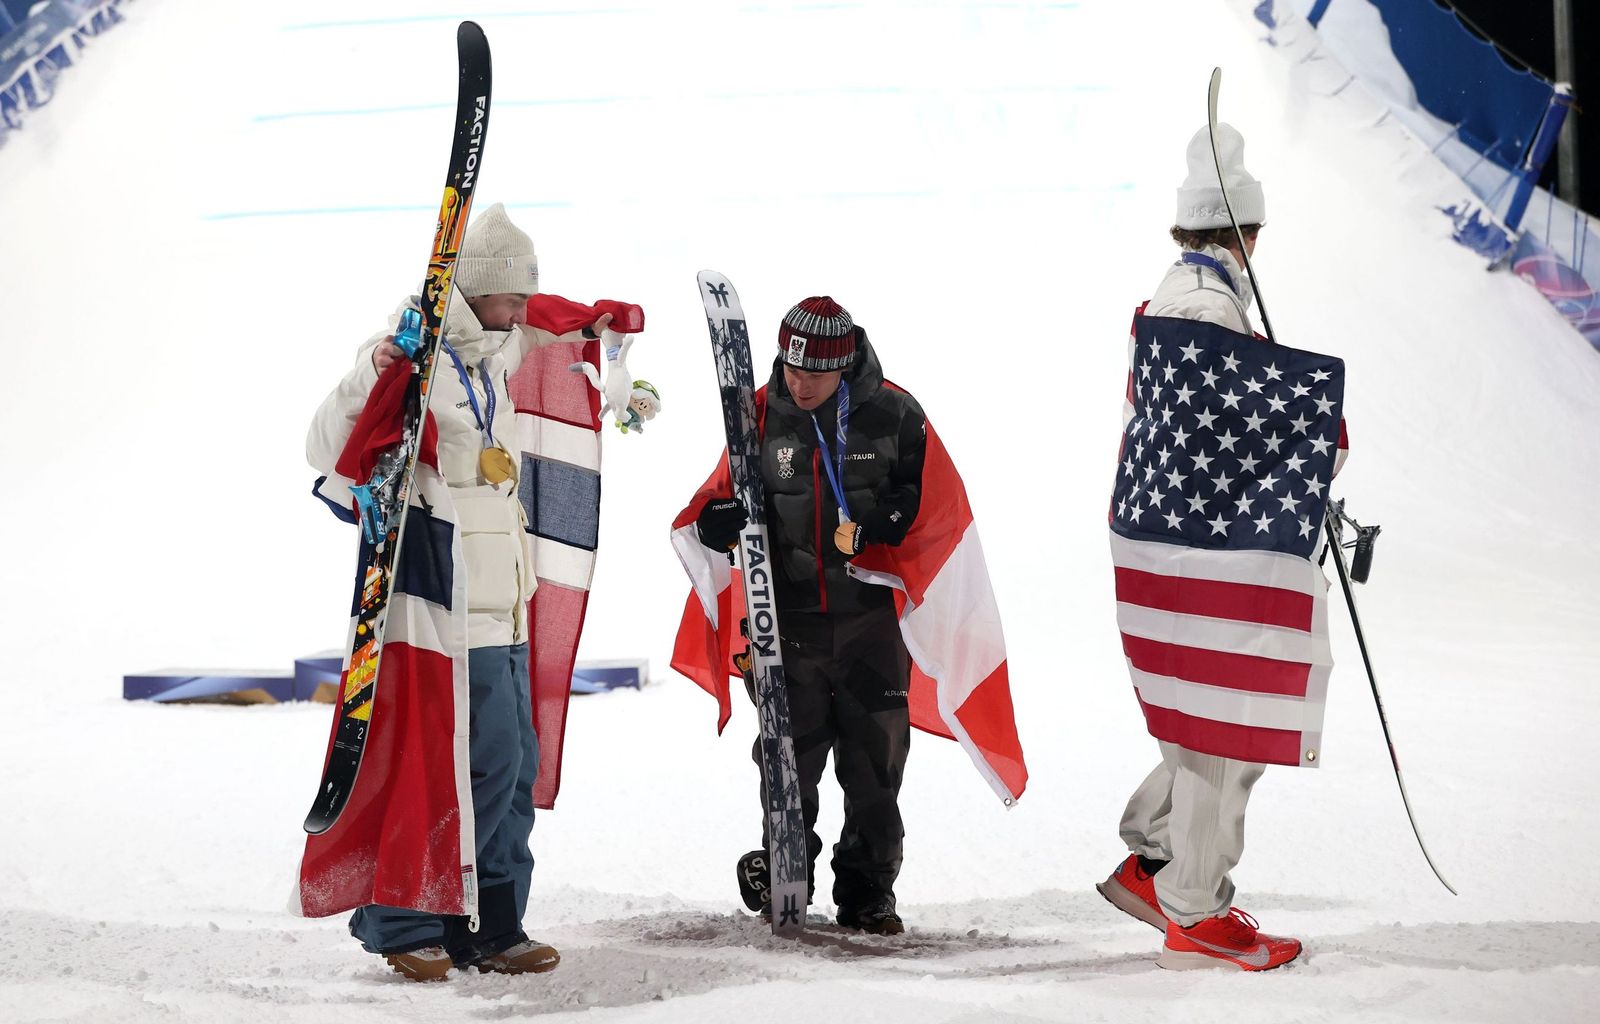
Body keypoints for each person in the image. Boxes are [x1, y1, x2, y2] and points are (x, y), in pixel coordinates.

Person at [304, 203, 608, 981]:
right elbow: (328, 446)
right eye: (512, 296)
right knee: (433, 763)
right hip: (437, 600)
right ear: (476, 291)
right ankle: (402, 920)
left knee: (507, 767)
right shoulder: (411, 354)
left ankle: (493, 922)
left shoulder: (491, 357)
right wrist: (375, 372)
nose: (521, 310)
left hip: (502, 599)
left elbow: (553, 328)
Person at [1097, 124, 1306, 972]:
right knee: (1231, 720)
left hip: (1181, 533)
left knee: (1208, 719)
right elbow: (1216, 430)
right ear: (1242, 233)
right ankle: (1193, 906)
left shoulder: (1188, 289)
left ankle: (1154, 859)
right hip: (1203, 541)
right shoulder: (1204, 304)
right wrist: (1306, 430)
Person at [686, 297, 928, 935]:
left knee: (876, 774)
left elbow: (926, 508)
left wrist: (883, 522)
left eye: (814, 375)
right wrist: (716, 525)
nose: (799, 384)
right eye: (791, 370)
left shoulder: (897, 415)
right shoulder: (758, 420)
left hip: (871, 627)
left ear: (843, 365)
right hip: (786, 627)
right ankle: (786, 870)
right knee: (788, 764)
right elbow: (719, 503)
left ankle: (868, 893)